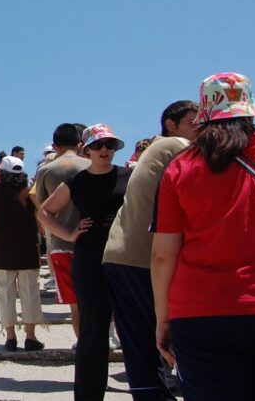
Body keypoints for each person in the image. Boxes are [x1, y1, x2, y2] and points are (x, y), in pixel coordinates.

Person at [152, 72, 255, 401]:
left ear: (205, 111)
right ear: (250, 107)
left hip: (203, 312)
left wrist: (163, 317)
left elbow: (163, 254)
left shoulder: (181, 167)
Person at [102, 101, 197, 401]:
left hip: (118, 253)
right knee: (173, 338)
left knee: (138, 346)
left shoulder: (154, 148)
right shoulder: (178, 146)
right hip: (146, 257)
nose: (201, 128)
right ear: (171, 124)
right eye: (194, 122)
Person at [38, 124, 130, 401]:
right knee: (93, 330)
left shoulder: (130, 176)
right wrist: (69, 233)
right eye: (99, 145)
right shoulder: (77, 182)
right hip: (89, 257)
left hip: (124, 256)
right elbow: (44, 212)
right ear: (86, 149)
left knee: (134, 325)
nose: (104, 150)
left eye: (109, 145)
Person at [31, 124, 89, 339]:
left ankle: (83, 346)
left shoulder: (46, 170)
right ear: (80, 144)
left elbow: (42, 208)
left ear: (55, 146)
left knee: (75, 305)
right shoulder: (92, 165)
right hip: (94, 242)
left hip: (61, 244)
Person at [0, 156, 45, 352]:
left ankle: (10, 338)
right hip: (27, 250)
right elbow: (40, 217)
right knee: (30, 294)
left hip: (1, 252)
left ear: (2, 173)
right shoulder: (27, 193)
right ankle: (30, 337)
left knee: (5, 295)